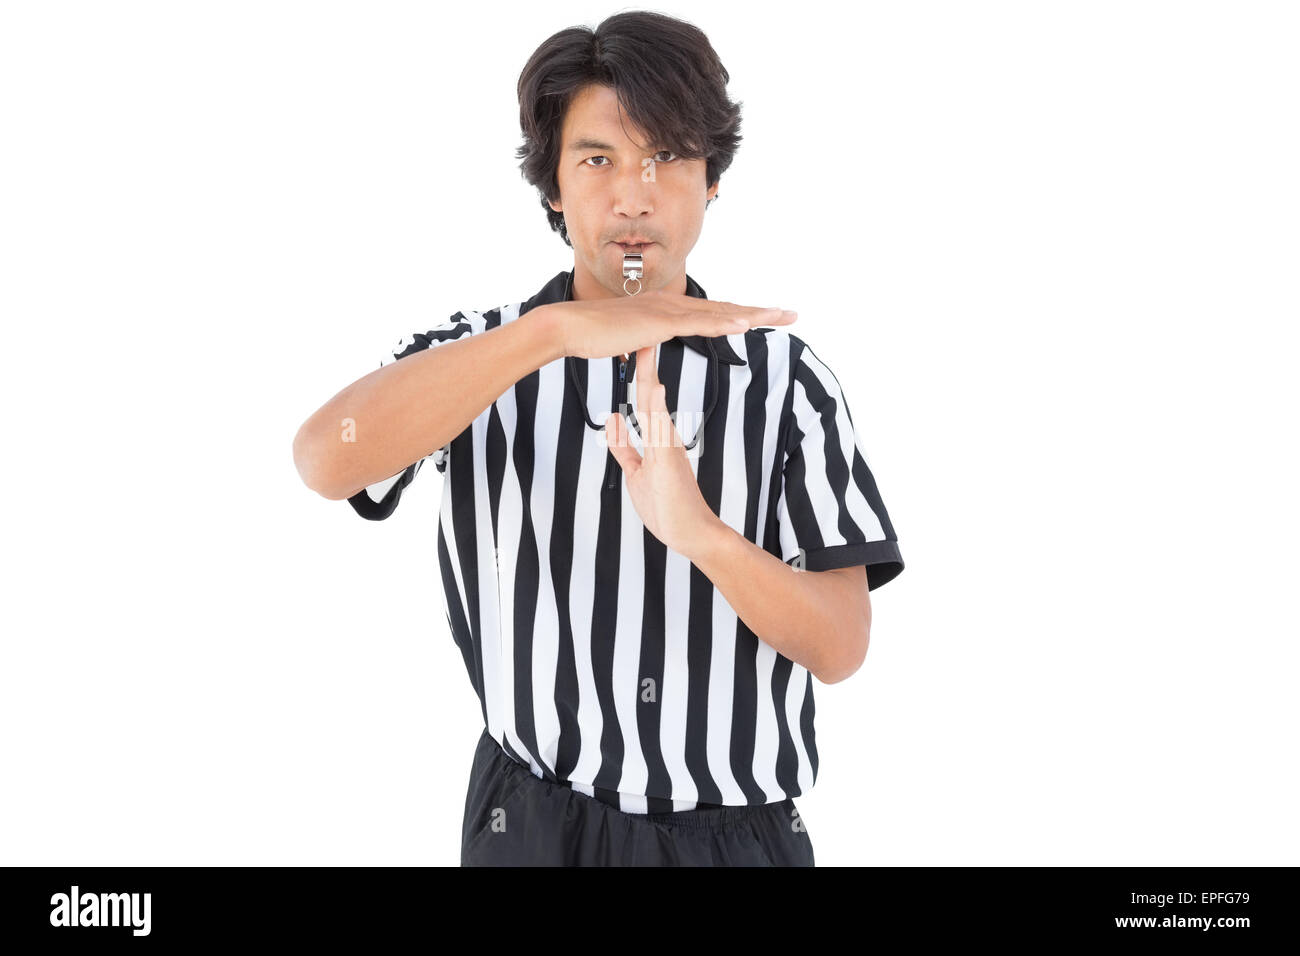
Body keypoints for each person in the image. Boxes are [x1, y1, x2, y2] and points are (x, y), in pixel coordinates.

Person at [293, 10, 904, 866]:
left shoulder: (785, 378)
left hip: (735, 838)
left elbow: (842, 646)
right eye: (597, 159)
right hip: (534, 821)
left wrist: (702, 535)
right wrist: (552, 333)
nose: (633, 194)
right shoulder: (482, 353)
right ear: (552, 185)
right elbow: (325, 458)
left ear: (712, 178)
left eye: (667, 157)